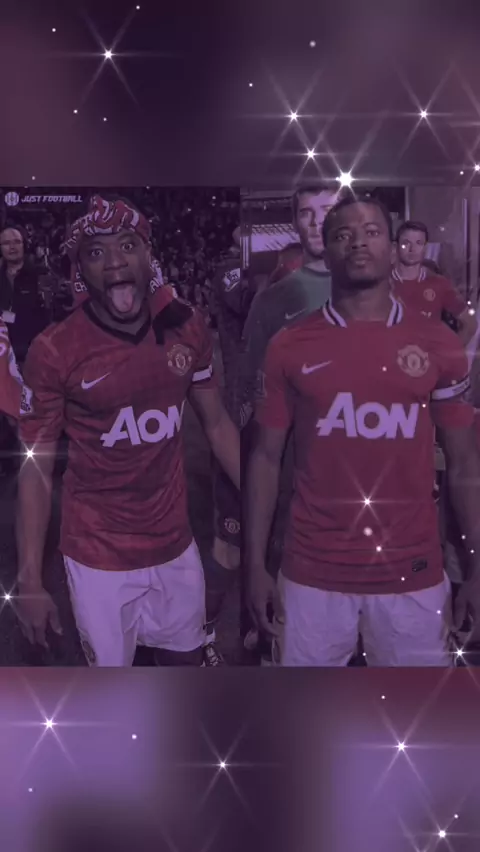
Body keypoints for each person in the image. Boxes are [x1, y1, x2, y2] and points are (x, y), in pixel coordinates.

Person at [247, 193, 480, 667]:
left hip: (412, 571)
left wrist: (476, 566)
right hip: (311, 573)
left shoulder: (438, 344)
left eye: (371, 232)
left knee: (418, 711)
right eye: (343, 234)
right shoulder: (288, 346)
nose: (357, 242)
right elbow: (265, 458)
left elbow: (463, 463)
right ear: (325, 251)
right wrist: (253, 565)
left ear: (393, 250)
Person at [15, 195, 240, 668]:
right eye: (97, 252)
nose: (115, 261)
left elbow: (218, 424)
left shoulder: (187, 328)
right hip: (98, 556)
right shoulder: (55, 350)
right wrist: (30, 578)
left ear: (148, 254)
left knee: (186, 671)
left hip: (175, 545)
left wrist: (271, 508)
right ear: (80, 270)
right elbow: (35, 466)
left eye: (128, 245)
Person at [239, 184, 339, 662]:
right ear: (295, 223)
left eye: (328, 210)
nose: (317, 222)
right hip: (296, 500)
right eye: (306, 212)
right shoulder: (274, 301)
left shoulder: (390, 293)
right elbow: (251, 415)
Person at [203, 226, 246, 664]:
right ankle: (202, 635)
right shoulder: (233, 270)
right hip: (241, 420)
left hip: (293, 423)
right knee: (230, 545)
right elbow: (244, 301)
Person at [392, 220, 476, 345]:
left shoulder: (439, 284)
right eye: (406, 243)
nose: (412, 249)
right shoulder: (380, 282)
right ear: (395, 247)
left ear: (425, 248)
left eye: (419, 243)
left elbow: (470, 324)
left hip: (426, 355)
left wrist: (451, 354)